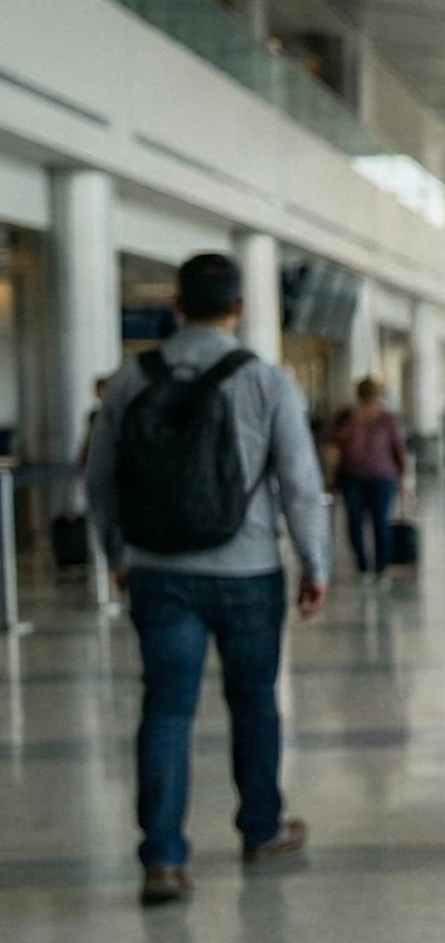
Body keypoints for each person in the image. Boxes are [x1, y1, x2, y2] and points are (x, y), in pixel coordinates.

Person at [86, 252, 330, 906]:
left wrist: (116, 553)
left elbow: (101, 482)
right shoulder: (267, 381)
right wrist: (317, 564)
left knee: (165, 709)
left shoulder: (129, 380)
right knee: (254, 702)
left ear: (175, 303)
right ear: (239, 307)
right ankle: (261, 828)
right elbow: (301, 487)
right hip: (249, 570)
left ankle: (163, 859)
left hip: (160, 571)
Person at [330, 377, 407, 580]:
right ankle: (363, 564)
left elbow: (398, 449)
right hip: (352, 477)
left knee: (380, 521)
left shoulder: (387, 419)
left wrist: (404, 478)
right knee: (354, 522)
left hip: (383, 477)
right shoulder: (347, 416)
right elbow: (335, 444)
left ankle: (381, 565)